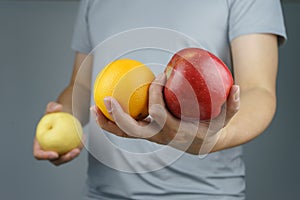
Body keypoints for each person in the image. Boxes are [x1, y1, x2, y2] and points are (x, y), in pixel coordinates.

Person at [33, 0, 287, 199]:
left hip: (204, 194)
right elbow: (83, 86)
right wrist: (62, 116)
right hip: (102, 193)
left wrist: (212, 139)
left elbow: (258, 90)